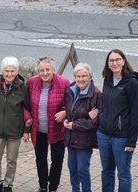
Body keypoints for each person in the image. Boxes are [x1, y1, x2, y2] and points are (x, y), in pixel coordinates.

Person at [23, 57, 69, 192]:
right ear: (38, 71)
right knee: (40, 159)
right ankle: (43, 186)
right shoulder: (31, 82)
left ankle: (53, 187)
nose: (45, 73)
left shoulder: (64, 83)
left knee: (57, 159)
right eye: (41, 70)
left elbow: (71, 103)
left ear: (53, 70)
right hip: (39, 129)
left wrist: (64, 112)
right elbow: (24, 104)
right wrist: (27, 117)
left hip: (57, 129)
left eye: (48, 70)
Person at [0, 56, 30, 192]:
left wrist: (26, 130)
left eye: (12, 71)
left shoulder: (23, 88)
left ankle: (8, 184)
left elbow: (28, 110)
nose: (9, 74)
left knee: (12, 160)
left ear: (17, 72)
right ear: (2, 71)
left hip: (14, 131)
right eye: (7, 71)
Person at [97, 49, 138, 192]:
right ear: (107, 64)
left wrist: (132, 140)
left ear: (123, 61)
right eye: (111, 60)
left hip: (122, 138)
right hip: (103, 135)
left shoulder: (132, 83)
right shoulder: (107, 80)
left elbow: (135, 113)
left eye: (117, 60)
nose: (114, 63)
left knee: (123, 174)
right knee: (106, 171)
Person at [62, 63, 102, 192]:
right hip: (70, 137)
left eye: (84, 76)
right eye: (78, 76)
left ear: (90, 77)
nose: (80, 79)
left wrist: (74, 124)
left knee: (82, 169)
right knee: (72, 168)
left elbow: (95, 122)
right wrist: (65, 120)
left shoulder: (96, 94)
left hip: (85, 139)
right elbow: (67, 111)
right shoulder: (70, 90)